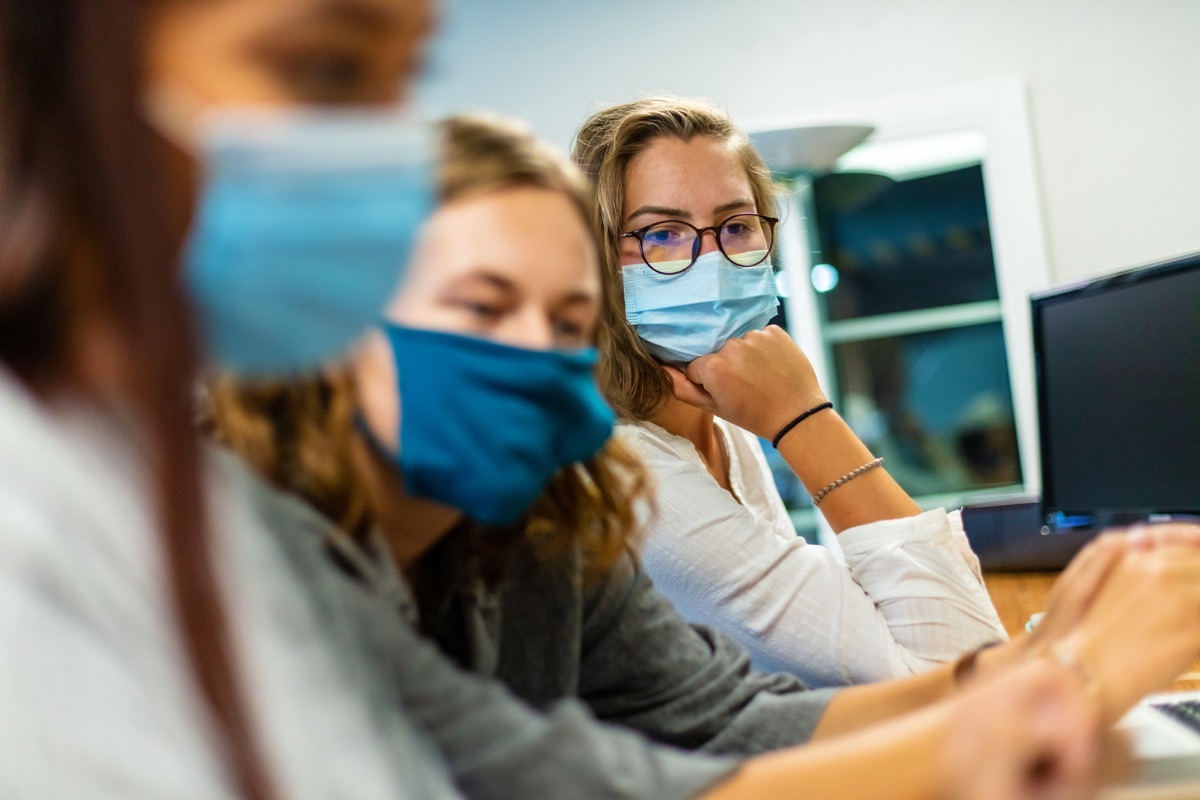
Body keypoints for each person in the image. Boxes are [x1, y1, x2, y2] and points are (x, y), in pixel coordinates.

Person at [206, 113, 1200, 799]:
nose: (534, 352)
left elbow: (729, 715)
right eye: (478, 306)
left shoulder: (546, 518)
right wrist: (1062, 677)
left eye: (567, 317)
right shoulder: (250, 546)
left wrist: (1030, 658)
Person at [0, 2, 462, 798]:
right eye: (329, 70)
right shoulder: (26, 516)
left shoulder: (163, 468)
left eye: (408, 76)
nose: (394, 153)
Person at [571, 95, 1008, 686]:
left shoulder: (722, 431)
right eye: (662, 233)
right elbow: (965, 679)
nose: (713, 261)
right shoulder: (627, 473)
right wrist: (803, 416)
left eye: (736, 225)